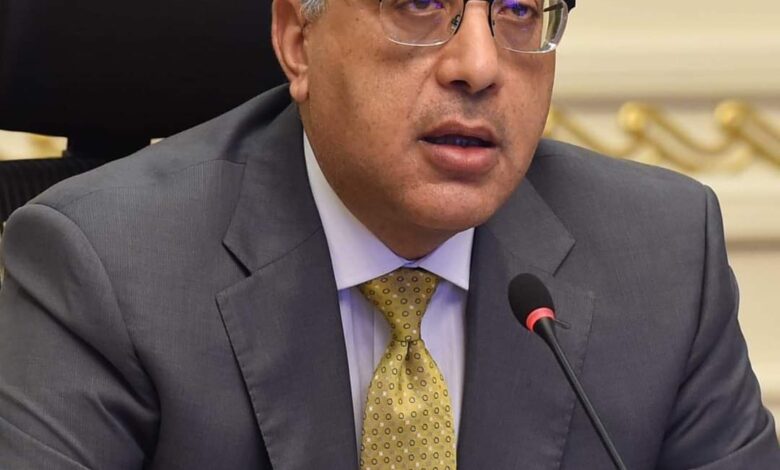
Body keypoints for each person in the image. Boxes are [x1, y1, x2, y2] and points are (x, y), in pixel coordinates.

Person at [0, 0, 778, 468]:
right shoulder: (105, 266)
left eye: (517, 11)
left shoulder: (664, 255)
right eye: (417, 4)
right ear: (297, 41)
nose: (479, 65)